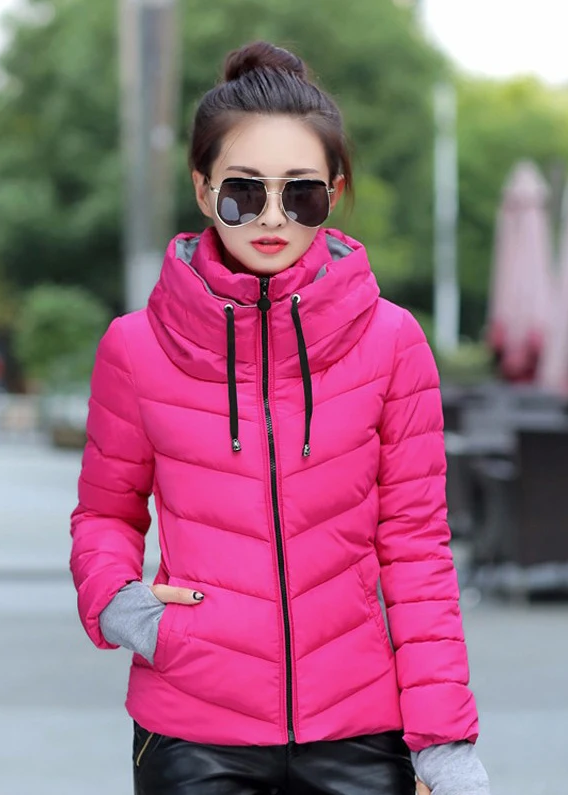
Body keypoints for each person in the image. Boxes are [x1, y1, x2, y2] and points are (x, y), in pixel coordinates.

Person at [70, 41, 489, 795]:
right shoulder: (134, 348)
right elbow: (105, 512)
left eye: (301, 194)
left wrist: (444, 743)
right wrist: (119, 604)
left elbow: (417, 551)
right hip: (193, 736)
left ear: (334, 191)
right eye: (243, 191)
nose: (271, 216)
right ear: (203, 191)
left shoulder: (393, 342)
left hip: (363, 733)